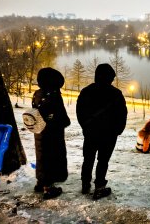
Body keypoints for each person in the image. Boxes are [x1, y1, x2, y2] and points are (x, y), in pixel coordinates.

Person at [76, 63, 128, 200]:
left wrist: (85, 127)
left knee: (88, 159)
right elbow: (122, 114)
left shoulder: (86, 91)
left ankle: (85, 184)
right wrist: (118, 130)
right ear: (110, 78)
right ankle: (99, 187)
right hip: (108, 135)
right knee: (103, 160)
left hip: (91, 133)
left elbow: (80, 112)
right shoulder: (116, 94)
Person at [32, 67, 71, 200]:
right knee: (53, 157)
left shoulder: (37, 94)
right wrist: (65, 122)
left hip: (39, 131)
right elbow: (62, 117)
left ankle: (40, 182)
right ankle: (49, 188)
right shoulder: (54, 96)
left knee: (41, 156)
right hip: (53, 133)